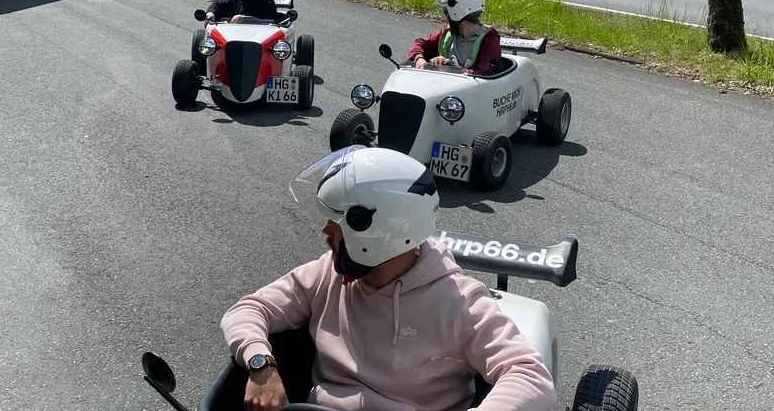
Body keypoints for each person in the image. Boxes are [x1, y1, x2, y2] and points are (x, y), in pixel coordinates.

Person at [220, 146, 558, 411]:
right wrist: (261, 364)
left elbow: (530, 376)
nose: (324, 229)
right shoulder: (328, 273)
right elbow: (248, 309)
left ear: (377, 232)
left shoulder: (459, 303)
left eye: (336, 222)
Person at [407, 0, 503, 76]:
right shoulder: (449, 32)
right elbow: (418, 44)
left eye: (446, 11)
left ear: (456, 11)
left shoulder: (489, 41)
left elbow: (484, 74)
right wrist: (419, 58)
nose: (446, 15)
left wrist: (450, 68)